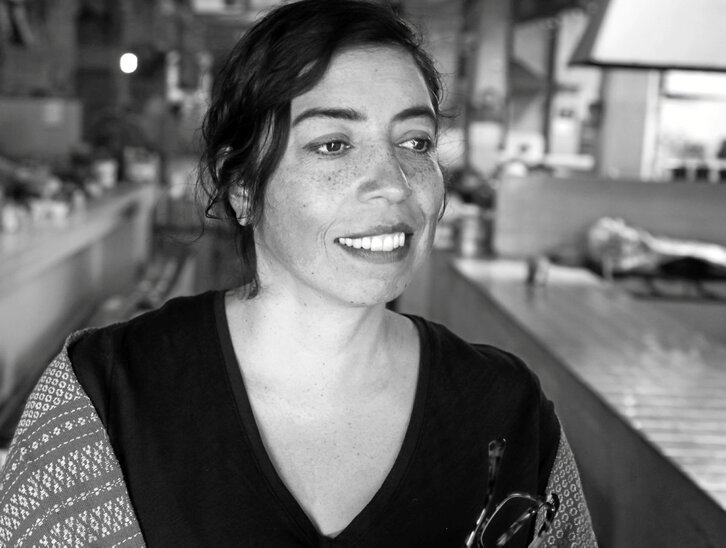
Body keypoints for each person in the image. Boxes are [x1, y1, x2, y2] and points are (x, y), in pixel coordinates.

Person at [0, 1, 597, 546]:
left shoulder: (508, 414)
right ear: (242, 187)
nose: (393, 184)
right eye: (333, 144)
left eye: (416, 142)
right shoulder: (105, 399)